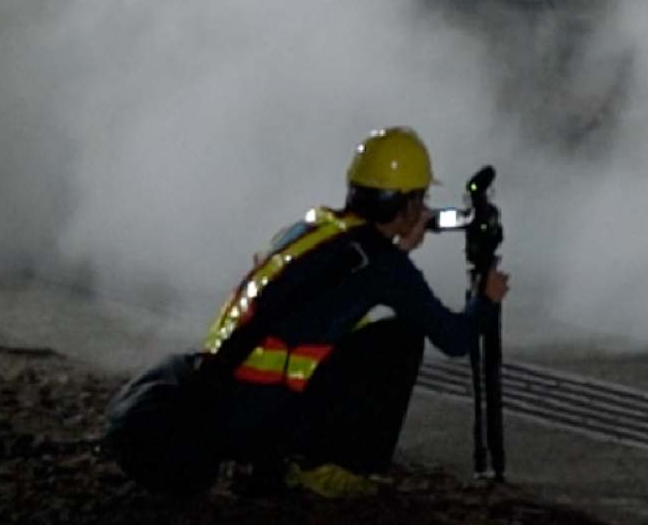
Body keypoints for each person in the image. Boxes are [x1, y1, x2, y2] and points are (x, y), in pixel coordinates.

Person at [193, 126, 511, 500]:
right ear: (407, 205)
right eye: (421, 200)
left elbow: (333, 291)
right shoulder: (383, 265)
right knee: (400, 338)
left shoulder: (311, 228)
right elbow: (455, 338)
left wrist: (400, 248)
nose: (425, 210)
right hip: (264, 417)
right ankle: (327, 467)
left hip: (220, 403)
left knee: (350, 334)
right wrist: (486, 299)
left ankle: (278, 458)